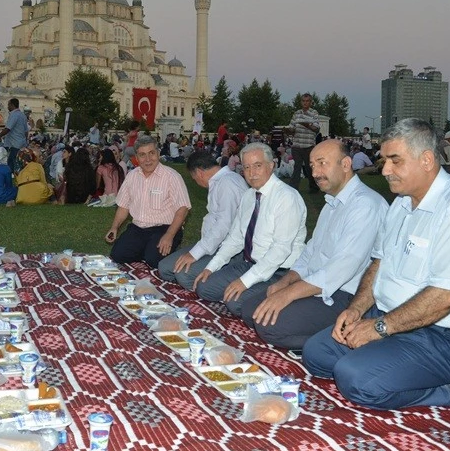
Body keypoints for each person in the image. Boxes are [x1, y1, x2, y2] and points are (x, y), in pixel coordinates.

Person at [303, 118, 450, 410]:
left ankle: (439, 391)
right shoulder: (401, 204)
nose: (385, 170)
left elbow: (447, 296)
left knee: (354, 378)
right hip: (390, 320)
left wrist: (379, 328)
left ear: (427, 160)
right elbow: (377, 265)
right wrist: (357, 309)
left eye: (395, 161)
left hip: (445, 338)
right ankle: (388, 365)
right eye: (384, 161)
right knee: (316, 353)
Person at [241, 140, 387, 352]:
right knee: (249, 309)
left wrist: (289, 294)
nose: (316, 173)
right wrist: (287, 282)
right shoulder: (332, 203)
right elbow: (311, 251)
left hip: (345, 296)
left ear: (345, 164)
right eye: (312, 166)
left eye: (322, 163)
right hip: (316, 285)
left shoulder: (365, 205)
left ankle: (339, 342)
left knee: (267, 325)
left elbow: (341, 269)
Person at [192, 143, 307, 317]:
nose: (252, 173)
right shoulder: (249, 195)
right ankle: (249, 293)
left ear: (271, 165)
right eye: (246, 167)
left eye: (257, 166)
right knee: (204, 287)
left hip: (279, 271)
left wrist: (245, 282)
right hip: (249, 263)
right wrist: (211, 267)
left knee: (235, 303)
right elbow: (236, 238)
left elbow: (280, 250)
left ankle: (285, 296)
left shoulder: (287, 197)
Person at [158, 150, 248, 289]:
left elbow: (223, 226)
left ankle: (218, 282)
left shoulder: (228, 183)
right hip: (211, 243)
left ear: (199, 172)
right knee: (164, 267)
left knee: (184, 275)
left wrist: (195, 254)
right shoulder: (220, 182)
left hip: (230, 250)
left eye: (194, 178)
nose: (196, 182)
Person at [106, 135, 191, 268]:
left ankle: (165, 248)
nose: (147, 159)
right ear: (136, 158)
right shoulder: (131, 176)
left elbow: (183, 209)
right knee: (117, 255)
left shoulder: (172, 176)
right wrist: (114, 228)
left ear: (158, 153)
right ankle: (146, 248)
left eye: (151, 153)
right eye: (142, 155)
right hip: (138, 228)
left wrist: (169, 235)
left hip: (164, 228)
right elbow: (123, 207)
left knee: (153, 259)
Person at [286, 93, 321, 193]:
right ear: (301, 102)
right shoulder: (296, 113)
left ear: (310, 102)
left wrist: (307, 125)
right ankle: (293, 188)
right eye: (303, 101)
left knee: (309, 168)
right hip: (297, 145)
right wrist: (288, 131)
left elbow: (316, 128)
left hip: (309, 146)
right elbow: (291, 127)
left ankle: (314, 187)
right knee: (297, 167)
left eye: (307, 101)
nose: (305, 103)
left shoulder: (314, 113)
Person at [0, 98, 28, 173]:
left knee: (11, 163)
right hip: (21, 143)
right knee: (18, 162)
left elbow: (8, 128)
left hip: (13, 144)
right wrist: (25, 141)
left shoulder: (14, 115)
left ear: (12, 105)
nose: (7, 107)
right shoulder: (23, 115)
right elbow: (26, 131)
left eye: (8, 105)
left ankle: (11, 177)